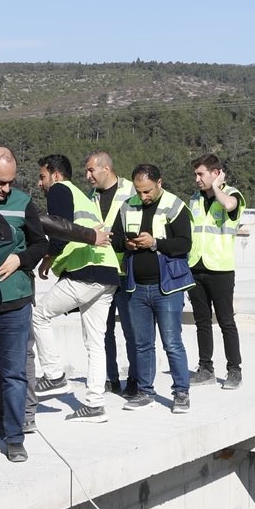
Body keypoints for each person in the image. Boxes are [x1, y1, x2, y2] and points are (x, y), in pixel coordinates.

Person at [0, 147, 54, 460]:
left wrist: (20, 259)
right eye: (0, 182)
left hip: (15, 304)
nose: (6, 189)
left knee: (14, 374)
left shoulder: (22, 203)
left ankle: (14, 437)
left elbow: (40, 243)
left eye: (10, 182)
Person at [28, 153, 118, 422]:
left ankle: (54, 375)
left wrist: (48, 256)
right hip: (108, 272)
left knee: (38, 314)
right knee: (95, 342)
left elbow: (60, 228)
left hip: (86, 271)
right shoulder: (81, 195)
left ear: (55, 174)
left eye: (42, 176)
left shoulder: (60, 189)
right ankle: (94, 404)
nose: (41, 183)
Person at [109, 164, 195, 414]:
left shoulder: (175, 206)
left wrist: (155, 242)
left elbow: (184, 244)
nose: (143, 196)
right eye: (139, 191)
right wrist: (126, 243)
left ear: (159, 183)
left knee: (172, 342)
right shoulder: (127, 205)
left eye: (147, 191)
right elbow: (114, 239)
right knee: (141, 343)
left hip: (167, 288)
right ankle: (145, 391)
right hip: (136, 287)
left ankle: (181, 391)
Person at [187, 154, 245, 389]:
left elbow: (229, 206)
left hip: (220, 269)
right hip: (196, 267)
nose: (197, 179)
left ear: (216, 173)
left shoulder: (232, 195)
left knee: (226, 321)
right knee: (202, 322)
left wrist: (216, 187)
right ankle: (205, 368)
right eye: (196, 174)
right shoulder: (195, 199)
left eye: (201, 174)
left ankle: (234, 370)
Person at [83, 150, 138, 392]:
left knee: (132, 330)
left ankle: (136, 378)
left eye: (91, 170)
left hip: (126, 272)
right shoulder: (90, 197)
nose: (87, 176)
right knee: (102, 332)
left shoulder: (131, 191)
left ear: (106, 168)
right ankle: (110, 378)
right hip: (101, 272)